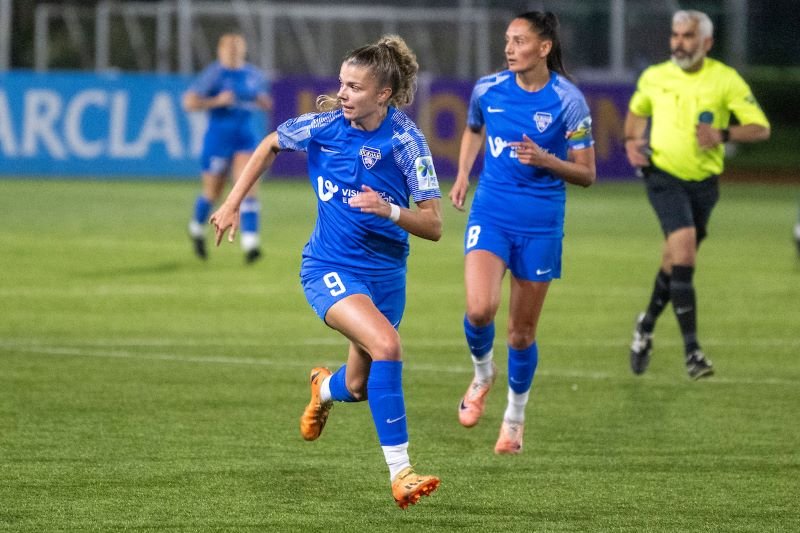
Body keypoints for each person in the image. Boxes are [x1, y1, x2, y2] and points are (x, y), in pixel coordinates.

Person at [209, 35, 442, 509]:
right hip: (329, 268)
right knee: (388, 345)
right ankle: (402, 473)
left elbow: (434, 225)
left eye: (355, 87)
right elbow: (270, 144)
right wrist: (232, 201)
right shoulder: (323, 126)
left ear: (383, 94)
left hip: (385, 275)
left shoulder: (407, 142)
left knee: (356, 385)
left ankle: (323, 388)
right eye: (341, 84)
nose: (343, 94)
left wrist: (390, 211)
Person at [449, 11, 596, 455]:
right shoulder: (488, 89)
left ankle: (514, 418)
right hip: (491, 212)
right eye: (507, 40)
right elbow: (474, 128)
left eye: (518, 41)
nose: (508, 49)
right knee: (479, 310)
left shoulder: (569, 101)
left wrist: (546, 160)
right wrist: (461, 174)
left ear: (544, 47)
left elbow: (587, 174)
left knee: (520, 334)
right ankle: (482, 374)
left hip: (541, 223)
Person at [625, 10, 770, 379]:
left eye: (688, 36)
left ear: (706, 42)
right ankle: (693, 353)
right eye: (676, 35)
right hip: (662, 175)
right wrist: (630, 142)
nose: (679, 43)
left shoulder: (725, 79)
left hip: (704, 184)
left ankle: (645, 326)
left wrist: (722, 135)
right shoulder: (655, 77)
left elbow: (760, 128)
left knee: (675, 263)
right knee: (685, 248)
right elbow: (636, 113)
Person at [184, 33, 273, 263]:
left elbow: (263, 100)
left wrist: (263, 103)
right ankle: (196, 228)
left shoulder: (253, 75)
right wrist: (215, 102)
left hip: (245, 138)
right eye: (229, 49)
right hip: (218, 140)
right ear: (220, 51)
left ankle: (251, 244)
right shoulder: (213, 74)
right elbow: (189, 102)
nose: (233, 52)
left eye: (237, 48)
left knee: (248, 188)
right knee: (213, 193)